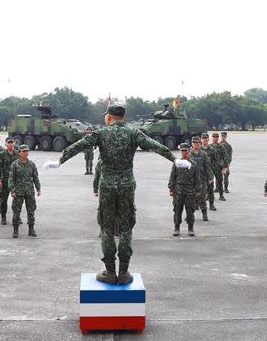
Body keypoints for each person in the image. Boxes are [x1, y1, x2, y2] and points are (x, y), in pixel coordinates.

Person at [55, 103, 183, 285]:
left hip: (107, 186)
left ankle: (109, 271)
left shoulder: (101, 133)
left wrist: (60, 160)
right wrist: (174, 159)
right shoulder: (133, 133)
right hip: (126, 186)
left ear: (109, 117)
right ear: (123, 117)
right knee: (126, 227)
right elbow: (155, 145)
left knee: (106, 228)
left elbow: (79, 145)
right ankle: (123, 272)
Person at [9, 145, 41, 238]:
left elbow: (35, 178)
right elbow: (11, 179)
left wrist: (38, 188)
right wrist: (12, 190)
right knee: (16, 211)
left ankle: (31, 229)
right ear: (19, 153)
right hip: (18, 192)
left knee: (31, 210)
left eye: (27, 151)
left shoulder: (31, 164)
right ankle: (15, 230)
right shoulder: (14, 164)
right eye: (23, 151)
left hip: (29, 191)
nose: (25, 153)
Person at [168, 143, 200, 237]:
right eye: (181, 151)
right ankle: (176, 228)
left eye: (184, 151)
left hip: (190, 191)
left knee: (190, 210)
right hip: (178, 191)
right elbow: (172, 176)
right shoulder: (177, 163)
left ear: (188, 151)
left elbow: (197, 178)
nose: (183, 153)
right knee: (177, 210)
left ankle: (190, 228)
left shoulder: (193, 164)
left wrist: (198, 190)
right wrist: (171, 188)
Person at [189, 136, 214, 221]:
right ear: (192, 144)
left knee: (202, 198)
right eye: (194, 143)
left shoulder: (204, 154)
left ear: (200, 144)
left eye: (197, 143)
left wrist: (210, 178)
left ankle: (204, 214)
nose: (196, 144)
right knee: (190, 199)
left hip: (202, 180)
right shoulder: (188, 154)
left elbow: (208, 167)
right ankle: (190, 215)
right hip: (191, 181)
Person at [0, 138, 19, 225]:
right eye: (9, 143)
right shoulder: (1, 154)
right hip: (4, 180)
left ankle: (17, 217)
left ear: (14, 144)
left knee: (17, 200)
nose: (10, 145)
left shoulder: (18, 154)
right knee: (3, 200)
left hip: (15, 181)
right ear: (6, 144)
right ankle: (3, 217)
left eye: (12, 143)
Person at [200, 134, 218, 211]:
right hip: (199, 174)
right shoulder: (197, 149)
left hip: (209, 173)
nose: (204, 140)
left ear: (208, 139)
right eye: (203, 139)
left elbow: (216, 161)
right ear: (201, 140)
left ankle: (211, 205)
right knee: (198, 190)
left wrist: (216, 169)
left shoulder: (212, 150)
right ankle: (197, 204)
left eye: (206, 139)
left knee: (210, 189)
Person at [210, 133, 227, 202]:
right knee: (210, 183)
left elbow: (224, 157)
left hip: (218, 167)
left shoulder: (221, 147)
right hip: (210, 168)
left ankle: (221, 195)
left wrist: (225, 167)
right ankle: (209, 196)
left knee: (220, 182)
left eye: (217, 137)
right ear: (212, 138)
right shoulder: (209, 147)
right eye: (214, 137)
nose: (215, 138)